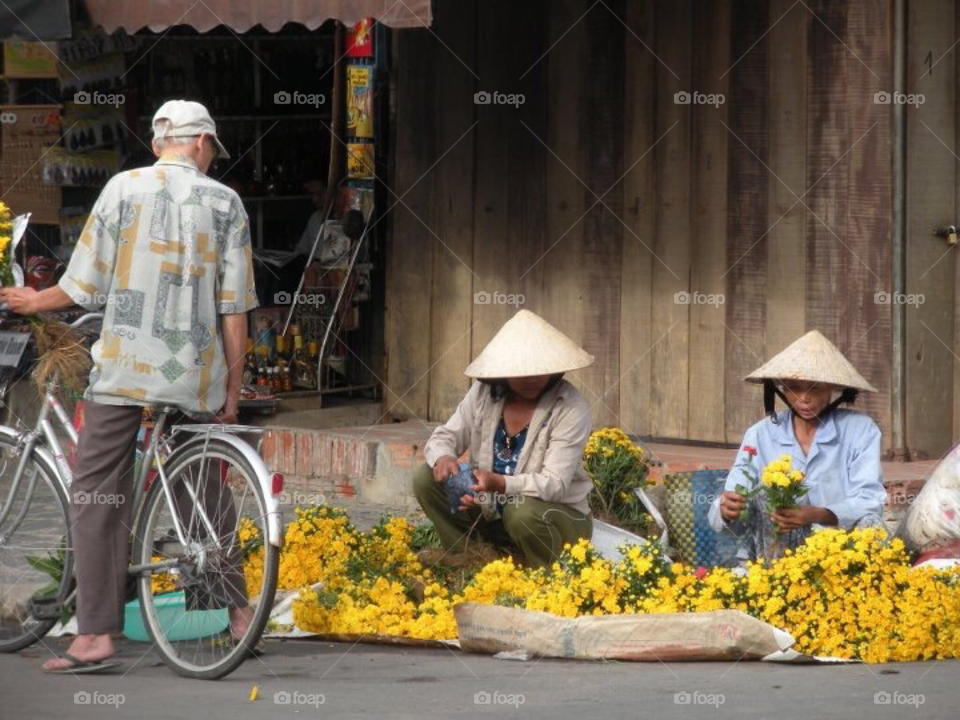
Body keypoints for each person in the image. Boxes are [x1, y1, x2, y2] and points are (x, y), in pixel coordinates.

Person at [0, 99, 259, 672]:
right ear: (198, 143)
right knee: (203, 486)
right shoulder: (227, 203)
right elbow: (234, 309)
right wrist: (232, 390)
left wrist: (31, 299)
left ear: (163, 141)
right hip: (194, 374)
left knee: (96, 494)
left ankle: (94, 636)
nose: (211, 156)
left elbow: (83, 285)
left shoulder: (122, 189)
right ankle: (239, 615)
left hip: (124, 368)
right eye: (212, 146)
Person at [414, 310, 596, 568]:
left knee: (520, 511)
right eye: (521, 372)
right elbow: (447, 435)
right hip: (493, 513)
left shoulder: (569, 407)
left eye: (540, 371)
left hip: (555, 519)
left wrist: (499, 483)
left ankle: (546, 575)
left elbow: (554, 484)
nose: (532, 379)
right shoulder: (483, 394)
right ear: (503, 372)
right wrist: (444, 458)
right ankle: (471, 561)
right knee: (425, 478)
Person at [708, 330, 887, 563]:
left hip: (838, 550)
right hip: (777, 549)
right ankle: (774, 584)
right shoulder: (760, 434)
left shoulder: (860, 430)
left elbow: (870, 500)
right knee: (761, 498)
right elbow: (734, 492)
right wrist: (726, 508)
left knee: (872, 524)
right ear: (779, 390)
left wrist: (820, 514)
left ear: (833, 389)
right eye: (793, 388)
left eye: (815, 388)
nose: (804, 398)